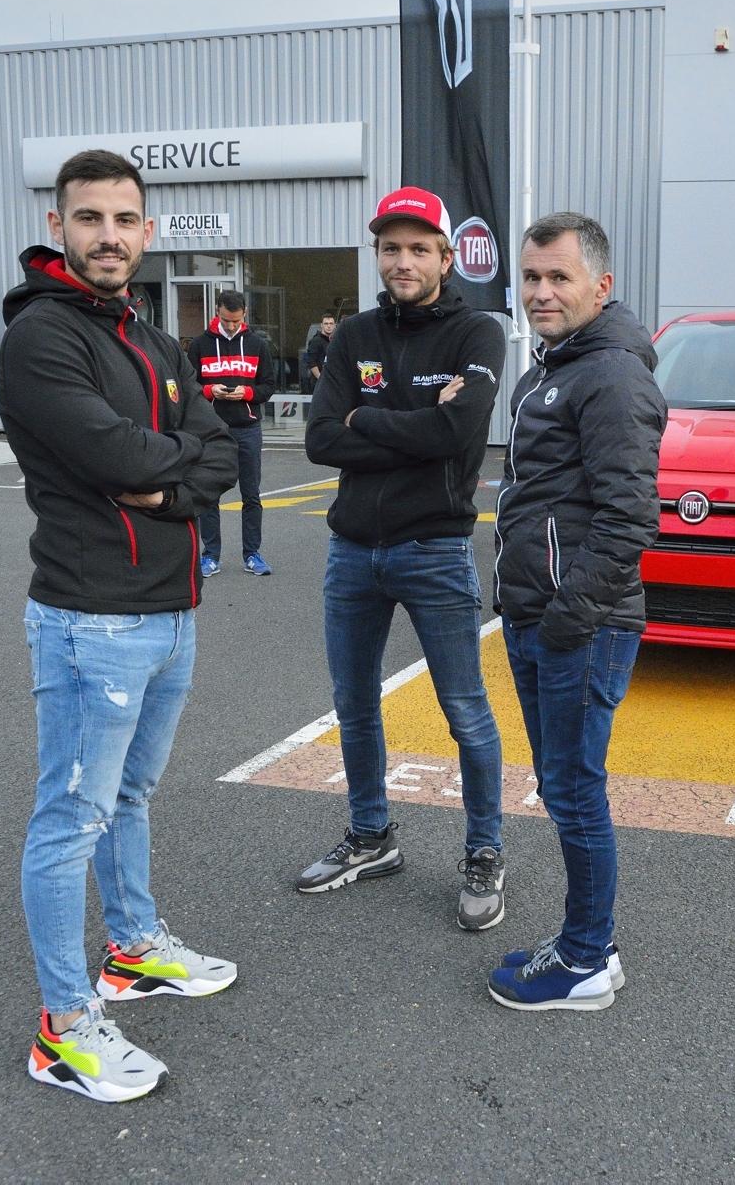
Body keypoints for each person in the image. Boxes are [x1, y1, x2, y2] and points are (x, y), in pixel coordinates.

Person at [0, 149, 240, 1102]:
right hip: (90, 621)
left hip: (170, 613)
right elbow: (112, 455)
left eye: (125, 219)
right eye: (90, 217)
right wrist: (170, 467)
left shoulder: (149, 335)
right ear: (58, 226)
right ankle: (63, 1028)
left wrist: (165, 486)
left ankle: (132, 950)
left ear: (148, 230)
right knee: (71, 818)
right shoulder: (42, 337)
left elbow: (219, 449)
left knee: (128, 796)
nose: (109, 235)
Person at [299, 186, 506, 930]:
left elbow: (459, 435)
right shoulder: (354, 334)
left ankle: (484, 851)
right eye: (391, 248)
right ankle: (371, 837)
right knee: (353, 704)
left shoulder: (478, 333)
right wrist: (416, 422)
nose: (403, 261)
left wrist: (365, 417)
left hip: (435, 550)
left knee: (465, 712)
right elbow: (320, 439)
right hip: (353, 551)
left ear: (447, 258)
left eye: (420, 248)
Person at [487, 212, 666, 1012]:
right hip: (542, 616)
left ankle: (587, 960)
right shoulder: (552, 370)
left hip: (578, 626)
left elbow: (630, 519)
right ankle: (589, 944)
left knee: (574, 789)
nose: (541, 292)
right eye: (531, 277)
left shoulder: (612, 375)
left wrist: (567, 619)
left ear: (601, 286)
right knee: (563, 786)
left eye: (559, 277)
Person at [188, 290, 275, 576]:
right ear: (217, 312)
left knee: (251, 495)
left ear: (244, 314)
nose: (231, 325)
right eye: (226, 320)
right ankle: (210, 556)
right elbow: (188, 385)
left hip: (247, 428)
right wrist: (208, 390)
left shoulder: (257, 344)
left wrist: (247, 393)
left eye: (236, 321)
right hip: (211, 430)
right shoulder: (200, 345)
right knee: (209, 495)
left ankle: (252, 554)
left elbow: (268, 385)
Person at [304, 311, 336, 389]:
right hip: (320, 384)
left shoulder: (335, 341)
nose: (329, 326)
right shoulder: (316, 341)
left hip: (332, 382)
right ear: (321, 325)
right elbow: (312, 362)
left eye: (331, 323)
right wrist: (321, 379)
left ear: (335, 325)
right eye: (326, 323)